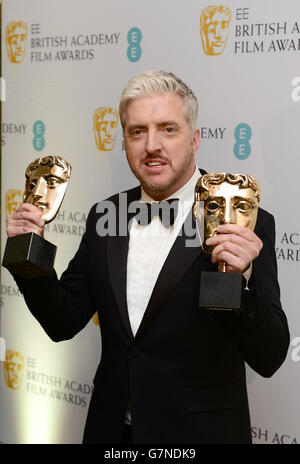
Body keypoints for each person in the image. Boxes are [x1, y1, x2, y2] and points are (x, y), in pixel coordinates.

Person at [6, 70, 289, 444]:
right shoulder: (105, 215)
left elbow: (269, 356)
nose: (151, 145)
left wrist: (244, 277)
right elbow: (62, 320)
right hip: (112, 433)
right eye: (137, 131)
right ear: (124, 141)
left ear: (196, 138)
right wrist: (30, 256)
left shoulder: (243, 219)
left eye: (168, 129)